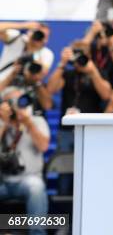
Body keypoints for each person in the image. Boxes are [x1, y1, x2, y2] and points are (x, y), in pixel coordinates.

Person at [47, 42, 112, 153]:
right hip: (67, 129)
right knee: (65, 165)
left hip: (90, 128)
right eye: (76, 54)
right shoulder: (67, 74)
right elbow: (51, 89)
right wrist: (62, 64)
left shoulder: (99, 74)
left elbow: (106, 95)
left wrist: (93, 72)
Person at [0, 89, 49, 235]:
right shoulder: (1, 122)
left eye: (19, 101)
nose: (16, 106)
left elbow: (43, 146)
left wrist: (28, 123)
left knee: (36, 187)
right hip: (3, 182)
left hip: (28, 179)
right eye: (11, 102)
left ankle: (37, 232)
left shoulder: (37, 121)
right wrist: (3, 123)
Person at [82, 20, 113, 88]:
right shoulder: (92, 46)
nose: (104, 35)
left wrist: (112, 44)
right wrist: (92, 33)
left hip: (110, 88)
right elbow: (78, 51)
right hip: (89, 87)